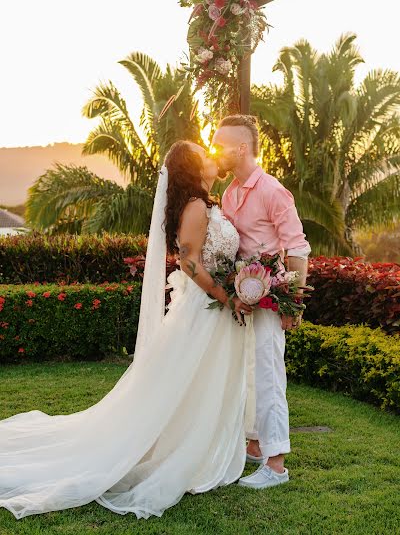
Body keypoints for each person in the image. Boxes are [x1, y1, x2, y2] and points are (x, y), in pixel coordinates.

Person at [0, 140, 253, 520]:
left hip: (214, 309)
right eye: (203, 155)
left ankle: (202, 443)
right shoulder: (197, 207)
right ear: (192, 168)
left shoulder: (207, 203)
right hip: (204, 310)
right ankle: (179, 450)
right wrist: (225, 295)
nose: (210, 158)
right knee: (186, 383)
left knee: (202, 383)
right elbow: (188, 261)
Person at [212, 114, 311, 489]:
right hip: (243, 299)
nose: (215, 151)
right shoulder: (229, 192)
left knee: (269, 376)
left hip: (273, 300)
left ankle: (276, 465)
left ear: (241, 147)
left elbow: (297, 246)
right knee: (248, 373)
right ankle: (254, 445)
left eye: (220, 144)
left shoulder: (272, 190)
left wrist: (295, 303)